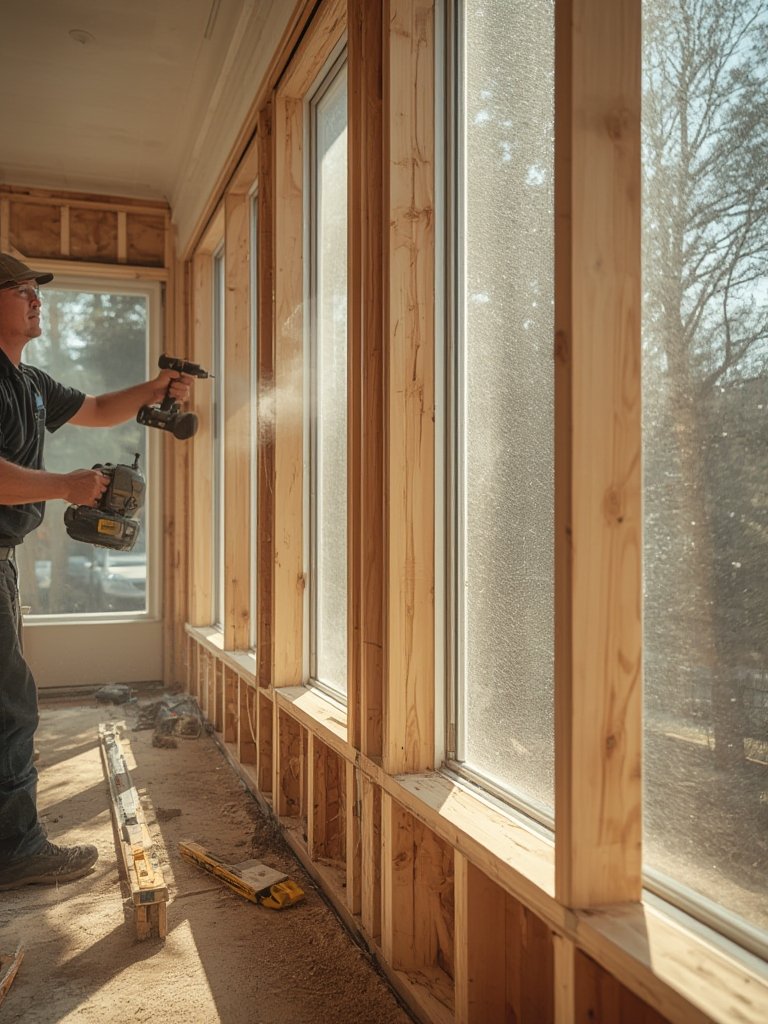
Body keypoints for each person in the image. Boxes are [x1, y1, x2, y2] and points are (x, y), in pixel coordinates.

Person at [0, 252, 192, 891]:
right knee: (12, 705)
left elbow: (101, 408)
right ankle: (17, 851)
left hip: (2, 557)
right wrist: (67, 485)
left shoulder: (28, 382)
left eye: (38, 292)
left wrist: (155, 389)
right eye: (23, 290)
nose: (37, 301)